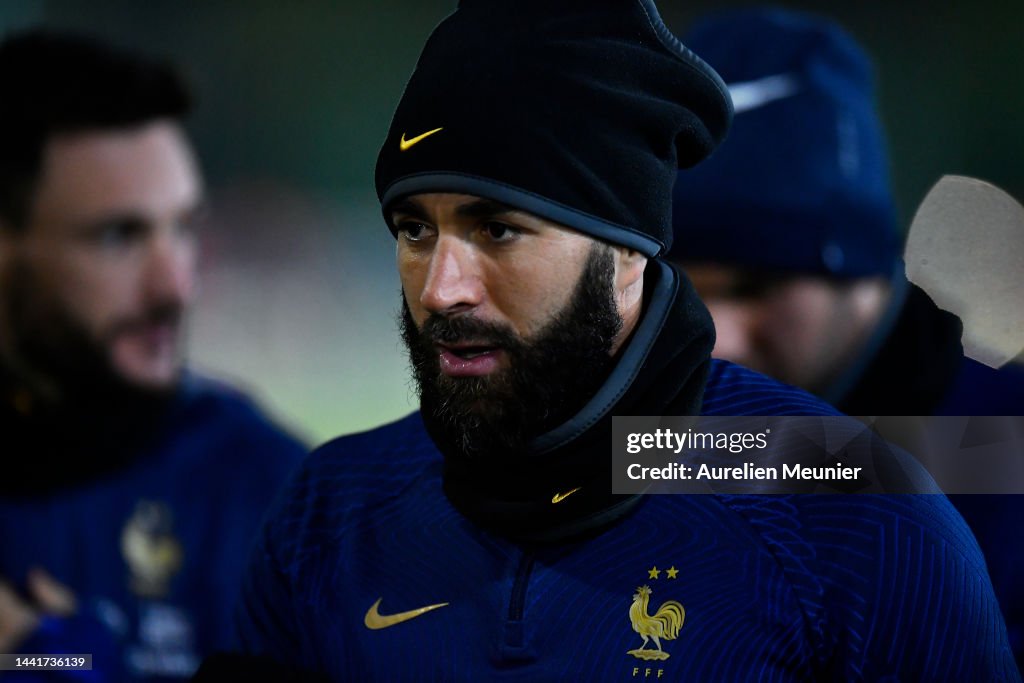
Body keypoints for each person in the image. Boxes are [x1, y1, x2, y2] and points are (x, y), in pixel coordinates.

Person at [234, 1, 1018, 680]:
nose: (443, 288)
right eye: (412, 228)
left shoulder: (898, 485)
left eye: (758, 286)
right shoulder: (329, 508)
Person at [667, 8, 1024, 661]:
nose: (715, 338)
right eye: (681, 290)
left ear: (857, 270)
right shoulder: (659, 446)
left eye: (754, 287)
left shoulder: (1004, 448)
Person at [0, 30, 305, 681]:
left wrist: (46, 650)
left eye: (184, 229)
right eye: (119, 236)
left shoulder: (266, 494)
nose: (176, 286)